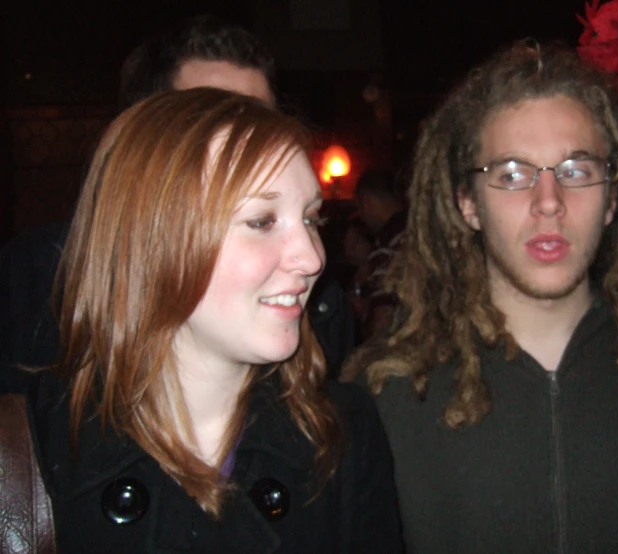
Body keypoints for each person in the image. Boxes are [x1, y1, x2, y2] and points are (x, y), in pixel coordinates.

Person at [344, 43, 618, 553]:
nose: (548, 202)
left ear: (613, 198)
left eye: (575, 171)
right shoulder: (388, 397)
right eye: (512, 174)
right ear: (468, 203)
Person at [1, 88, 402, 553]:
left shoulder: (343, 434)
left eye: (311, 219)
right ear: (152, 240)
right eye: (262, 221)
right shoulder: (32, 454)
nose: (312, 258)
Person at [0, 14, 354, 387]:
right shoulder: (37, 283)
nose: (251, 142)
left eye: (260, 119)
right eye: (213, 121)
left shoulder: (320, 308)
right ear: (145, 141)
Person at [352, 168, 407, 339]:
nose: (361, 215)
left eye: (359, 208)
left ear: (366, 201)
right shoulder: (417, 229)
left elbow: (383, 318)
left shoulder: (386, 241)